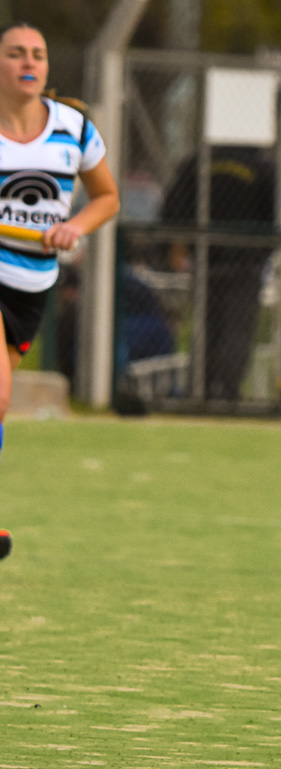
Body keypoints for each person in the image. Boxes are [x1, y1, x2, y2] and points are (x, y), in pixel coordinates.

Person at [0, 22, 119, 457]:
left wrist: (76, 227)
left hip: (32, 288)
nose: (29, 61)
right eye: (15, 53)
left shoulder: (74, 127)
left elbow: (107, 197)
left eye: (38, 53)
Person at [159, 144, 275, 402]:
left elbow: (173, 206)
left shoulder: (198, 163)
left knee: (205, 328)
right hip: (244, 262)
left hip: (206, 259)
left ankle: (199, 388)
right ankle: (227, 391)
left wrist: (177, 245)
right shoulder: (262, 167)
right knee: (237, 330)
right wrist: (263, 252)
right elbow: (278, 213)